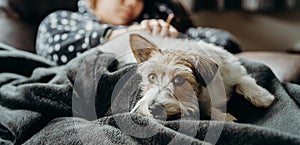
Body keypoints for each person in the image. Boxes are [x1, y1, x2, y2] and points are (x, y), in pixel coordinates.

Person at [36, 0, 241, 65]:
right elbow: (53, 49)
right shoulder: (63, 21)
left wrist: (176, 38)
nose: (133, 3)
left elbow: (225, 41)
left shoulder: (153, 22)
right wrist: (125, 36)